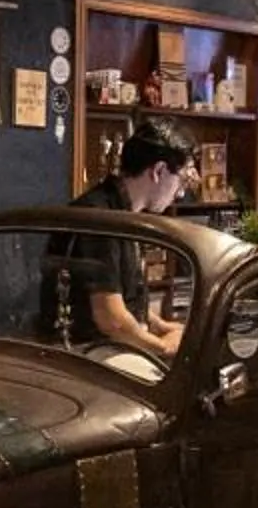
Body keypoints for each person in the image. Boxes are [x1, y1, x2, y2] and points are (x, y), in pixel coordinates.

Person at [48, 119, 192, 359]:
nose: (180, 192)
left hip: (106, 347)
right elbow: (111, 319)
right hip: (86, 354)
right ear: (158, 171)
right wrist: (163, 347)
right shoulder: (101, 219)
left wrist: (163, 327)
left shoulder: (121, 212)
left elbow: (127, 301)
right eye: (182, 178)